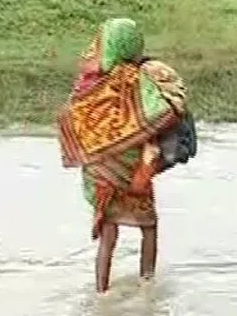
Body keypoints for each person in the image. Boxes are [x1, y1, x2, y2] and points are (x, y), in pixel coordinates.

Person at [57, 18, 189, 294]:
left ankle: (101, 293)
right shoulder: (138, 80)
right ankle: (147, 287)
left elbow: (72, 118)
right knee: (149, 228)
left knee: (108, 237)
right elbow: (163, 113)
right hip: (135, 172)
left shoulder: (88, 84)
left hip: (101, 174)